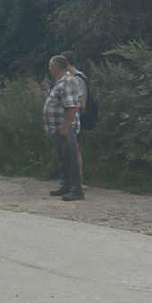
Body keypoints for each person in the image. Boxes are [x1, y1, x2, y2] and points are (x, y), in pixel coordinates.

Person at [45, 55, 84, 201]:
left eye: (50, 66)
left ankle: (76, 190)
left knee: (71, 158)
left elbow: (72, 106)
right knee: (63, 158)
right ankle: (66, 186)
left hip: (66, 127)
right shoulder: (60, 82)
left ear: (56, 67)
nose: (49, 69)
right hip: (59, 127)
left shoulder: (68, 81)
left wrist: (65, 126)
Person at [61, 50, 88, 185]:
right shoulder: (70, 77)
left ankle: (78, 181)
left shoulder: (77, 78)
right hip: (70, 117)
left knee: (75, 150)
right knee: (70, 150)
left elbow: (80, 102)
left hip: (75, 117)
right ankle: (71, 180)